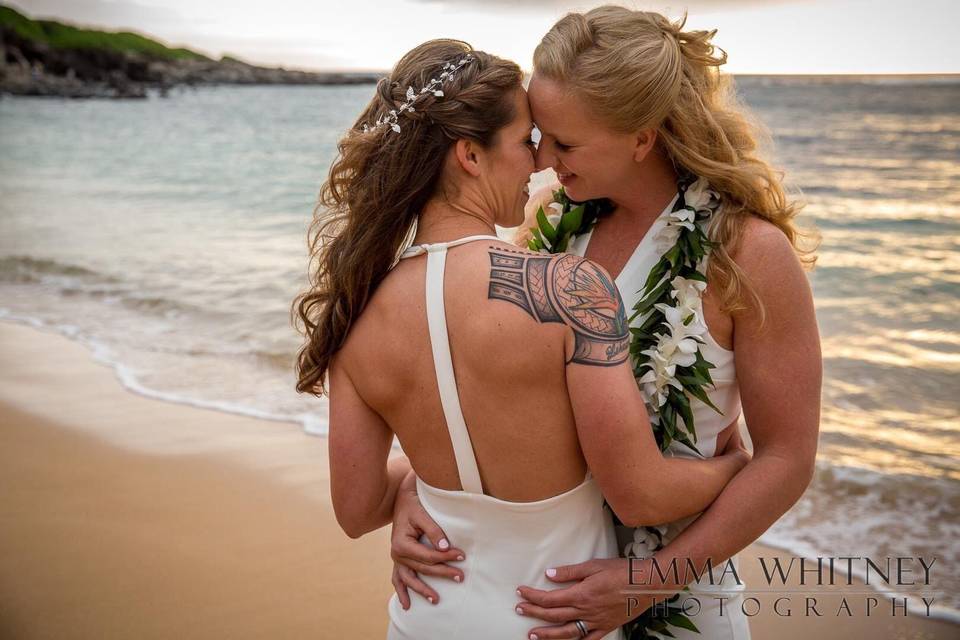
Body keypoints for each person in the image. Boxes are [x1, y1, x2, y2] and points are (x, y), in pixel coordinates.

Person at [292, 38, 750, 639]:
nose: (539, 165)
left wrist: (422, 485)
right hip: (554, 618)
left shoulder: (358, 312)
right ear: (469, 157)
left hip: (426, 617)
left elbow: (357, 511)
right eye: (524, 141)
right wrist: (735, 466)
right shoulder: (567, 289)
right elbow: (640, 493)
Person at [388, 8, 822, 640]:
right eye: (538, 137)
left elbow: (786, 458)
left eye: (564, 144)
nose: (542, 161)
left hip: (683, 600)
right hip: (548, 592)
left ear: (641, 138)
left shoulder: (746, 253)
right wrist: (414, 493)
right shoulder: (548, 227)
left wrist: (648, 584)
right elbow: (482, 397)